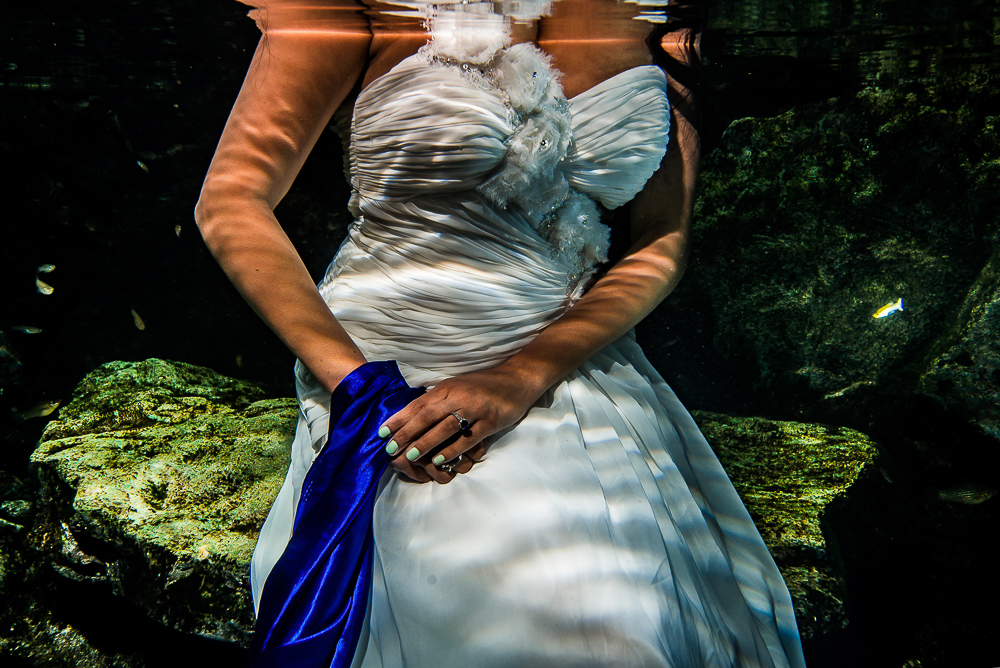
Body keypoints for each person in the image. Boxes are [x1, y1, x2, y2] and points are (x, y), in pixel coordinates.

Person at [195, 0, 807, 666]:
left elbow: (659, 244)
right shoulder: (357, 7)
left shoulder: (670, 22)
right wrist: (359, 386)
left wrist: (524, 373)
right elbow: (231, 198)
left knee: (620, 626)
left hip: (568, 359)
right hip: (396, 368)